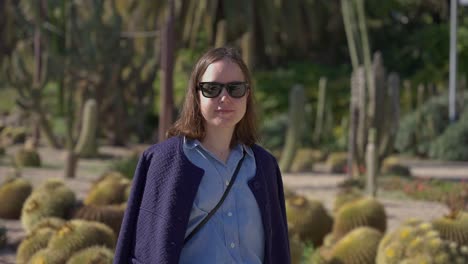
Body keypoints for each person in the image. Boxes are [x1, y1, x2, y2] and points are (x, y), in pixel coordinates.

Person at [113, 47, 290, 264]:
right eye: (212, 88)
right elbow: (145, 250)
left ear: (247, 94)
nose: (224, 98)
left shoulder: (264, 166)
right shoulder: (163, 162)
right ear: (197, 95)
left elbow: (278, 249)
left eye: (235, 88)